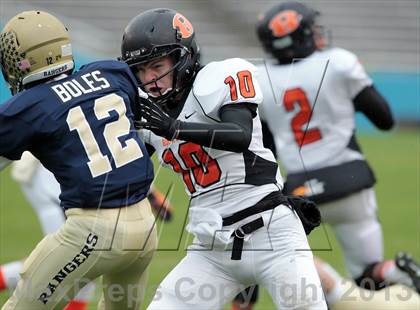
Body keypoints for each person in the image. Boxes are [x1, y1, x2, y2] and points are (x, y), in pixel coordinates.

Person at [121, 8, 327, 309]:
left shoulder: (217, 78)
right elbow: (128, 168)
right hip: (211, 248)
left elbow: (239, 134)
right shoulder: (149, 112)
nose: (149, 79)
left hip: (272, 234)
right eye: (140, 70)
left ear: (183, 58)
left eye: (156, 66)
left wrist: (175, 128)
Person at [231, 2, 419, 309]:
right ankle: (394, 271)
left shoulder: (260, 79)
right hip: (350, 180)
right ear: (302, 35)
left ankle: (249, 305)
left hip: (300, 191)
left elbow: (266, 149)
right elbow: (384, 119)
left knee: (271, 257)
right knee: (368, 278)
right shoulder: (338, 62)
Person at [0, 11, 157, 309]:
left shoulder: (28, 106)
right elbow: (139, 139)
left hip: (93, 231)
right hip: (145, 228)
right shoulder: (112, 73)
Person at [0, 152, 173, 309]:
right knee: (76, 257)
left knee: (73, 260)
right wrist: (150, 191)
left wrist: (149, 191)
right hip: (50, 175)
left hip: (58, 173)